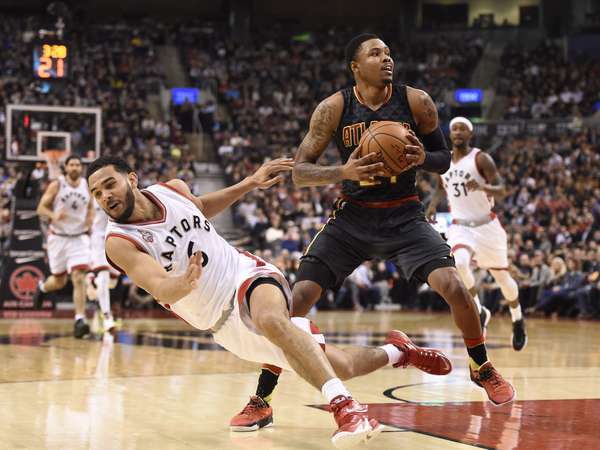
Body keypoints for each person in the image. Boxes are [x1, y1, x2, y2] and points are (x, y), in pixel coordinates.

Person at [233, 33, 515, 431]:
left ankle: (481, 366)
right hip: (353, 217)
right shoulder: (333, 108)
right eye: (375, 53)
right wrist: (342, 172)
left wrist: (423, 158)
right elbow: (300, 171)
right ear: (355, 66)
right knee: (294, 302)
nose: (386, 59)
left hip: (404, 215)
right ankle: (262, 399)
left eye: (388, 53)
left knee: (453, 285)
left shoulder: (417, 101)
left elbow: (441, 159)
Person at [87, 155, 453, 449]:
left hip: (245, 274)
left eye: (110, 184)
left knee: (270, 318)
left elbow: (199, 207)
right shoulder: (119, 241)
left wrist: (249, 183)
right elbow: (159, 287)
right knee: (338, 364)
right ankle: (398, 352)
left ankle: (346, 408)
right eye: (97, 193)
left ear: (131, 179)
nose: (105, 196)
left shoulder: (172, 189)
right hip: (220, 322)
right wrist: (182, 283)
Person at [426, 116, 527, 351]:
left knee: (503, 279)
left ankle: (518, 319)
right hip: (460, 225)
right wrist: (433, 204)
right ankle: (479, 310)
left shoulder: (481, 158)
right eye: (454, 129)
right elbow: (442, 188)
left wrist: (483, 187)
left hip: (487, 226)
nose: (458, 132)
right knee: (459, 262)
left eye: (463, 129)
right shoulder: (444, 162)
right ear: (450, 134)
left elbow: (502, 190)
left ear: (470, 134)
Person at [34, 155, 94, 338]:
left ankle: (80, 320)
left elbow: (91, 207)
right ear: (66, 167)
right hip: (58, 238)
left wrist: (90, 219)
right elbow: (40, 208)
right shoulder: (57, 185)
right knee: (59, 281)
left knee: (78, 276)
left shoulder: (87, 185)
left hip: (78, 238)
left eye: (78, 164)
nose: (75, 167)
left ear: (81, 168)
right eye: (72, 165)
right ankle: (43, 288)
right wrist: (53, 216)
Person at [88, 200, 117, 333]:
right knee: (104, 277)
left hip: (117, 237)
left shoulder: (122, 192)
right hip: (98, 239)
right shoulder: (90, 196)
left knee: (112, 283)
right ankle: (107, 316)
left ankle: (93, 282)